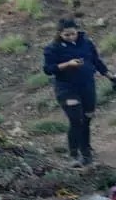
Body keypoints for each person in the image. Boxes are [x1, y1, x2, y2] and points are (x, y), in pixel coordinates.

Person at [42, 18, 116, 167]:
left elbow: (96, 61)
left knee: (87, 118)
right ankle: (74, 154)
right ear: (59, 33)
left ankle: (86, 150)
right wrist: (68, 64)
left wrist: (110, 76)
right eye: (66, 35)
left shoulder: (87, 43)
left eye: (72, 34)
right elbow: (48, 69)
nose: (70, 37)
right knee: (76, 120)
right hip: (66, 88)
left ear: (77, 31)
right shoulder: (52, 48)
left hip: (87, 85)